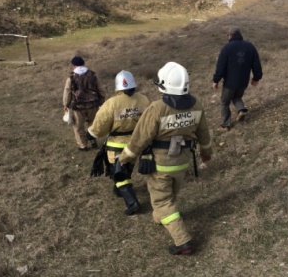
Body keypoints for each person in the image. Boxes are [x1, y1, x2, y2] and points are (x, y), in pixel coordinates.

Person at [118, 62, 213, 255]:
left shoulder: (157, 108)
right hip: (182, 162)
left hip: (160, 164)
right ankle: (161, 217)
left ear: (164, 85)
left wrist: (125, 158)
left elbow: (140, 138)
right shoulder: (197, 105)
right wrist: (206, 152)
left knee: (162, 201)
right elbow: (203, 133)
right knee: (169, 195)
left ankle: (182, 240)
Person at [87, 70, 150, 215]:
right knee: (126, 169)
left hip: (116, 146)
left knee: (120, 173)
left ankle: (132, 203)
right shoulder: (144, 100)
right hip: (136, 144)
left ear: (117, 87)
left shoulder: (112, 103)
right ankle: (119, 189)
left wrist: (91, 133)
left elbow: (101, 123)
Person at [212, 26, 263, 131]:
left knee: (225, 101)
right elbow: (256, 64)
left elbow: (220, 66)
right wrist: (256, 78)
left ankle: (225, 125)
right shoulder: (250, 47)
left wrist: (216, 80)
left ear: (230, 35)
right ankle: (241, 109)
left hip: (230, 83)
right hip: (243, 82)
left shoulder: (226, 48)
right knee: (236, 97)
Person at [63, 54, 106, 151]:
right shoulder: (93, 74)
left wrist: (66, 105)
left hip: (78, 106)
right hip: (93, 104)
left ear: (73, 65)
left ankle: (83, 145)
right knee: (92, 123)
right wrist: (101, 100)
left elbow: (67, 92)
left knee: (78, 127)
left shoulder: (71, 77)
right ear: (83, 63)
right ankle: (93, 139)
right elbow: (101, 89)